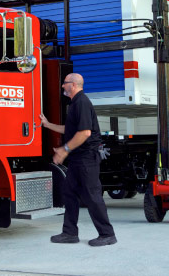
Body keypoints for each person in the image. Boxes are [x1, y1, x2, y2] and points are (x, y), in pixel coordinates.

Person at [39, 73, 117, 247]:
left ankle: (107, 234)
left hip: (87, 157)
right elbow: (71, 129)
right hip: (78, 158)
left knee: (92, 195)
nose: (62, 86)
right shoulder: (75, 104)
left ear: (73, 85)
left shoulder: (81, 102)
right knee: (69, 193)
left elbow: (84, 133)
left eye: (64, 83)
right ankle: (70, 233)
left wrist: (64, 150)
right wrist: (47, 124)